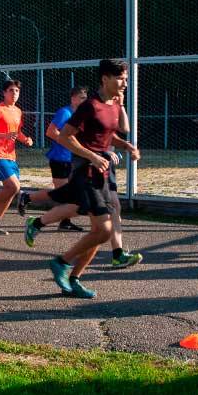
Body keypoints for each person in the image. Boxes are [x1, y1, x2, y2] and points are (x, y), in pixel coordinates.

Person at [35, 59, 140, 298]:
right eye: (120, 78)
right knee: (103, 230)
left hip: (102, 175)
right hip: (86, 172)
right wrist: (91, 156)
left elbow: (117, 131)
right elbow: (64, 137)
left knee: (98, 231)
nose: (125, 82)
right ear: (105, 78)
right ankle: (61, 262)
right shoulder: (89, 106)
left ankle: (74, 279)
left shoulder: (113, 104)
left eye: (126, 77)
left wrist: (127, 146)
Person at [17, 86, 89, 232]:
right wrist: (68, 142)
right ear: (73, 98)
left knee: (67, 193)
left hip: (72, 159)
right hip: (59, 159)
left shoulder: (80, 116)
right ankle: (27, 198)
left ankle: (62, 220)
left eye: (85, 98)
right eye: (81, 98)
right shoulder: (65, 112)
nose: (84, 101)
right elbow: (51, 131)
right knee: (62, 193)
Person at [0, 79, 34, 234]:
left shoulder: (17, 111)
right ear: (4, 93)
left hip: (11, 156)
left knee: (10, 190)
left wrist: (25, 139)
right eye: (11, 90)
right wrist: (5, 135)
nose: (14, 93)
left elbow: (16, 133)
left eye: (17, 91)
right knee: (14, 186)